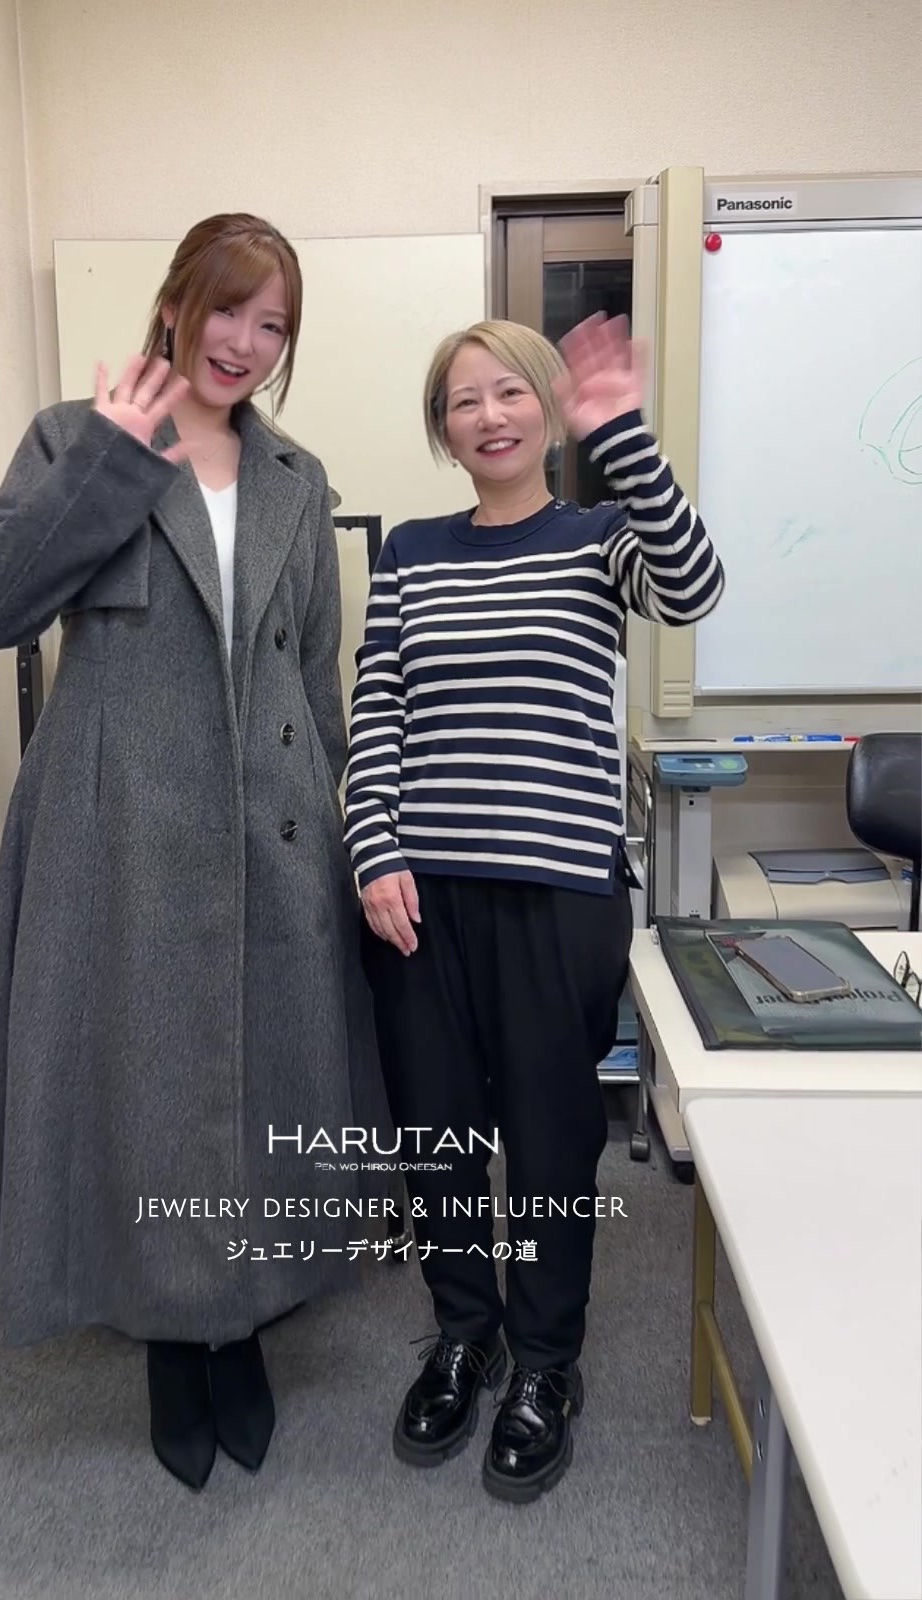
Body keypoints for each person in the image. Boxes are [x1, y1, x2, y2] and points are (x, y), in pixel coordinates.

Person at [0, 213, 390, 1492]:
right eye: (228, 308)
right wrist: (115, 460)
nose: (245, 341)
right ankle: (172, 1341)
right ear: (177, 303)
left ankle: (242, 1318)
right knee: (147, 1091)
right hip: (121, 828)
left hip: (271, 826)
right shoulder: (77, 437)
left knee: (262, 1087)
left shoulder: (298, 475)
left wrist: (342, 829)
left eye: (273, 323)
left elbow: (315, 669)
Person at [345, 314, 724, 1505]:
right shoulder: (411, 553)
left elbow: (695, 587)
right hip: (421, 897)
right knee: (439, 1134)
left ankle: (547, 1359)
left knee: (553, 1140)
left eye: (511, 391)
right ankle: (466, 1333)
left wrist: (626, 436)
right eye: (465, 400)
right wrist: (372, 852)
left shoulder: (599, 539)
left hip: (559, 892)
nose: (490, 416)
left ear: (549, 409)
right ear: (443, 429)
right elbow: (378, 713)